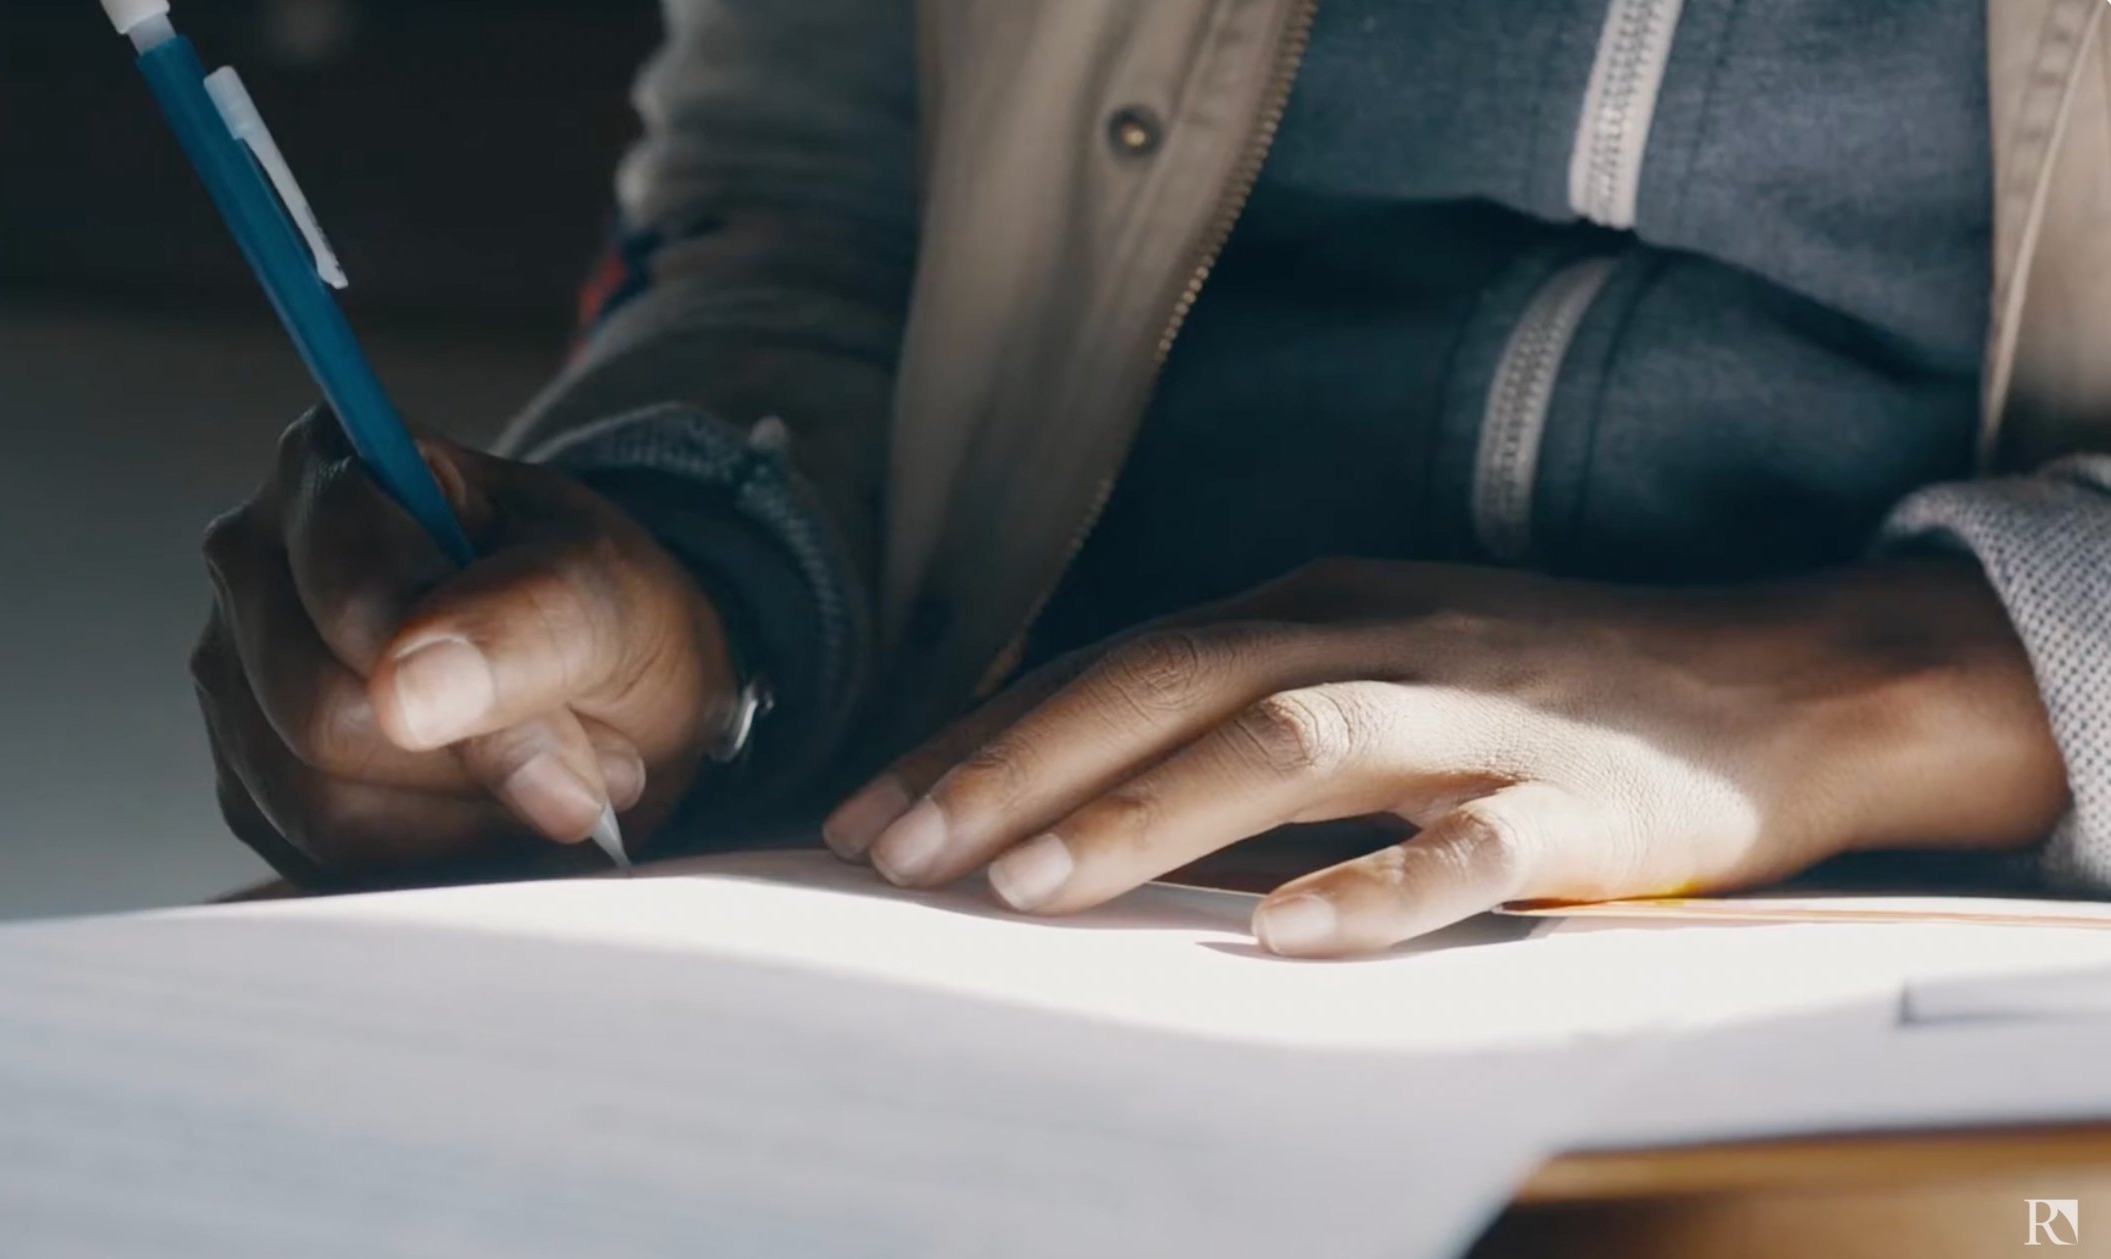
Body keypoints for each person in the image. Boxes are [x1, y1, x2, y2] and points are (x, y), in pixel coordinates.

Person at [191, 0, 2111, 957]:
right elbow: (806, 209)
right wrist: (697, 594)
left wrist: (1926, 686)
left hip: (1987, 958)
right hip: (1004, 897)